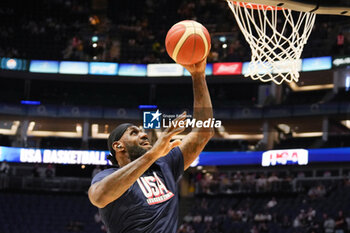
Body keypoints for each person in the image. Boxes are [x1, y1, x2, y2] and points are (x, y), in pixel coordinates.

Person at [88, 59, 214, 233]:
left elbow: (204, 132)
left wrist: (198, 75)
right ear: (118, 146)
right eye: (134, 133)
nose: (144, 134)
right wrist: (152, 154)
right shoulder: (108, 175)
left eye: (141, 131)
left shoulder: (164, 165)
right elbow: (99, 197)